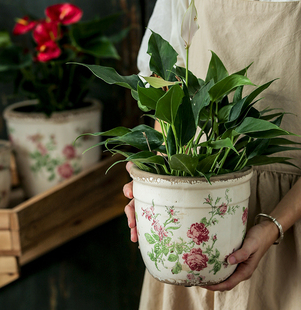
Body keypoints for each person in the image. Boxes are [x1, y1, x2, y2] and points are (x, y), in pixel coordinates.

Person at [124, 0, 301, 309]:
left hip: (290, 218)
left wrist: (274, 224)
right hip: (191, 212)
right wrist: (153, 188)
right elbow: (166, 85)